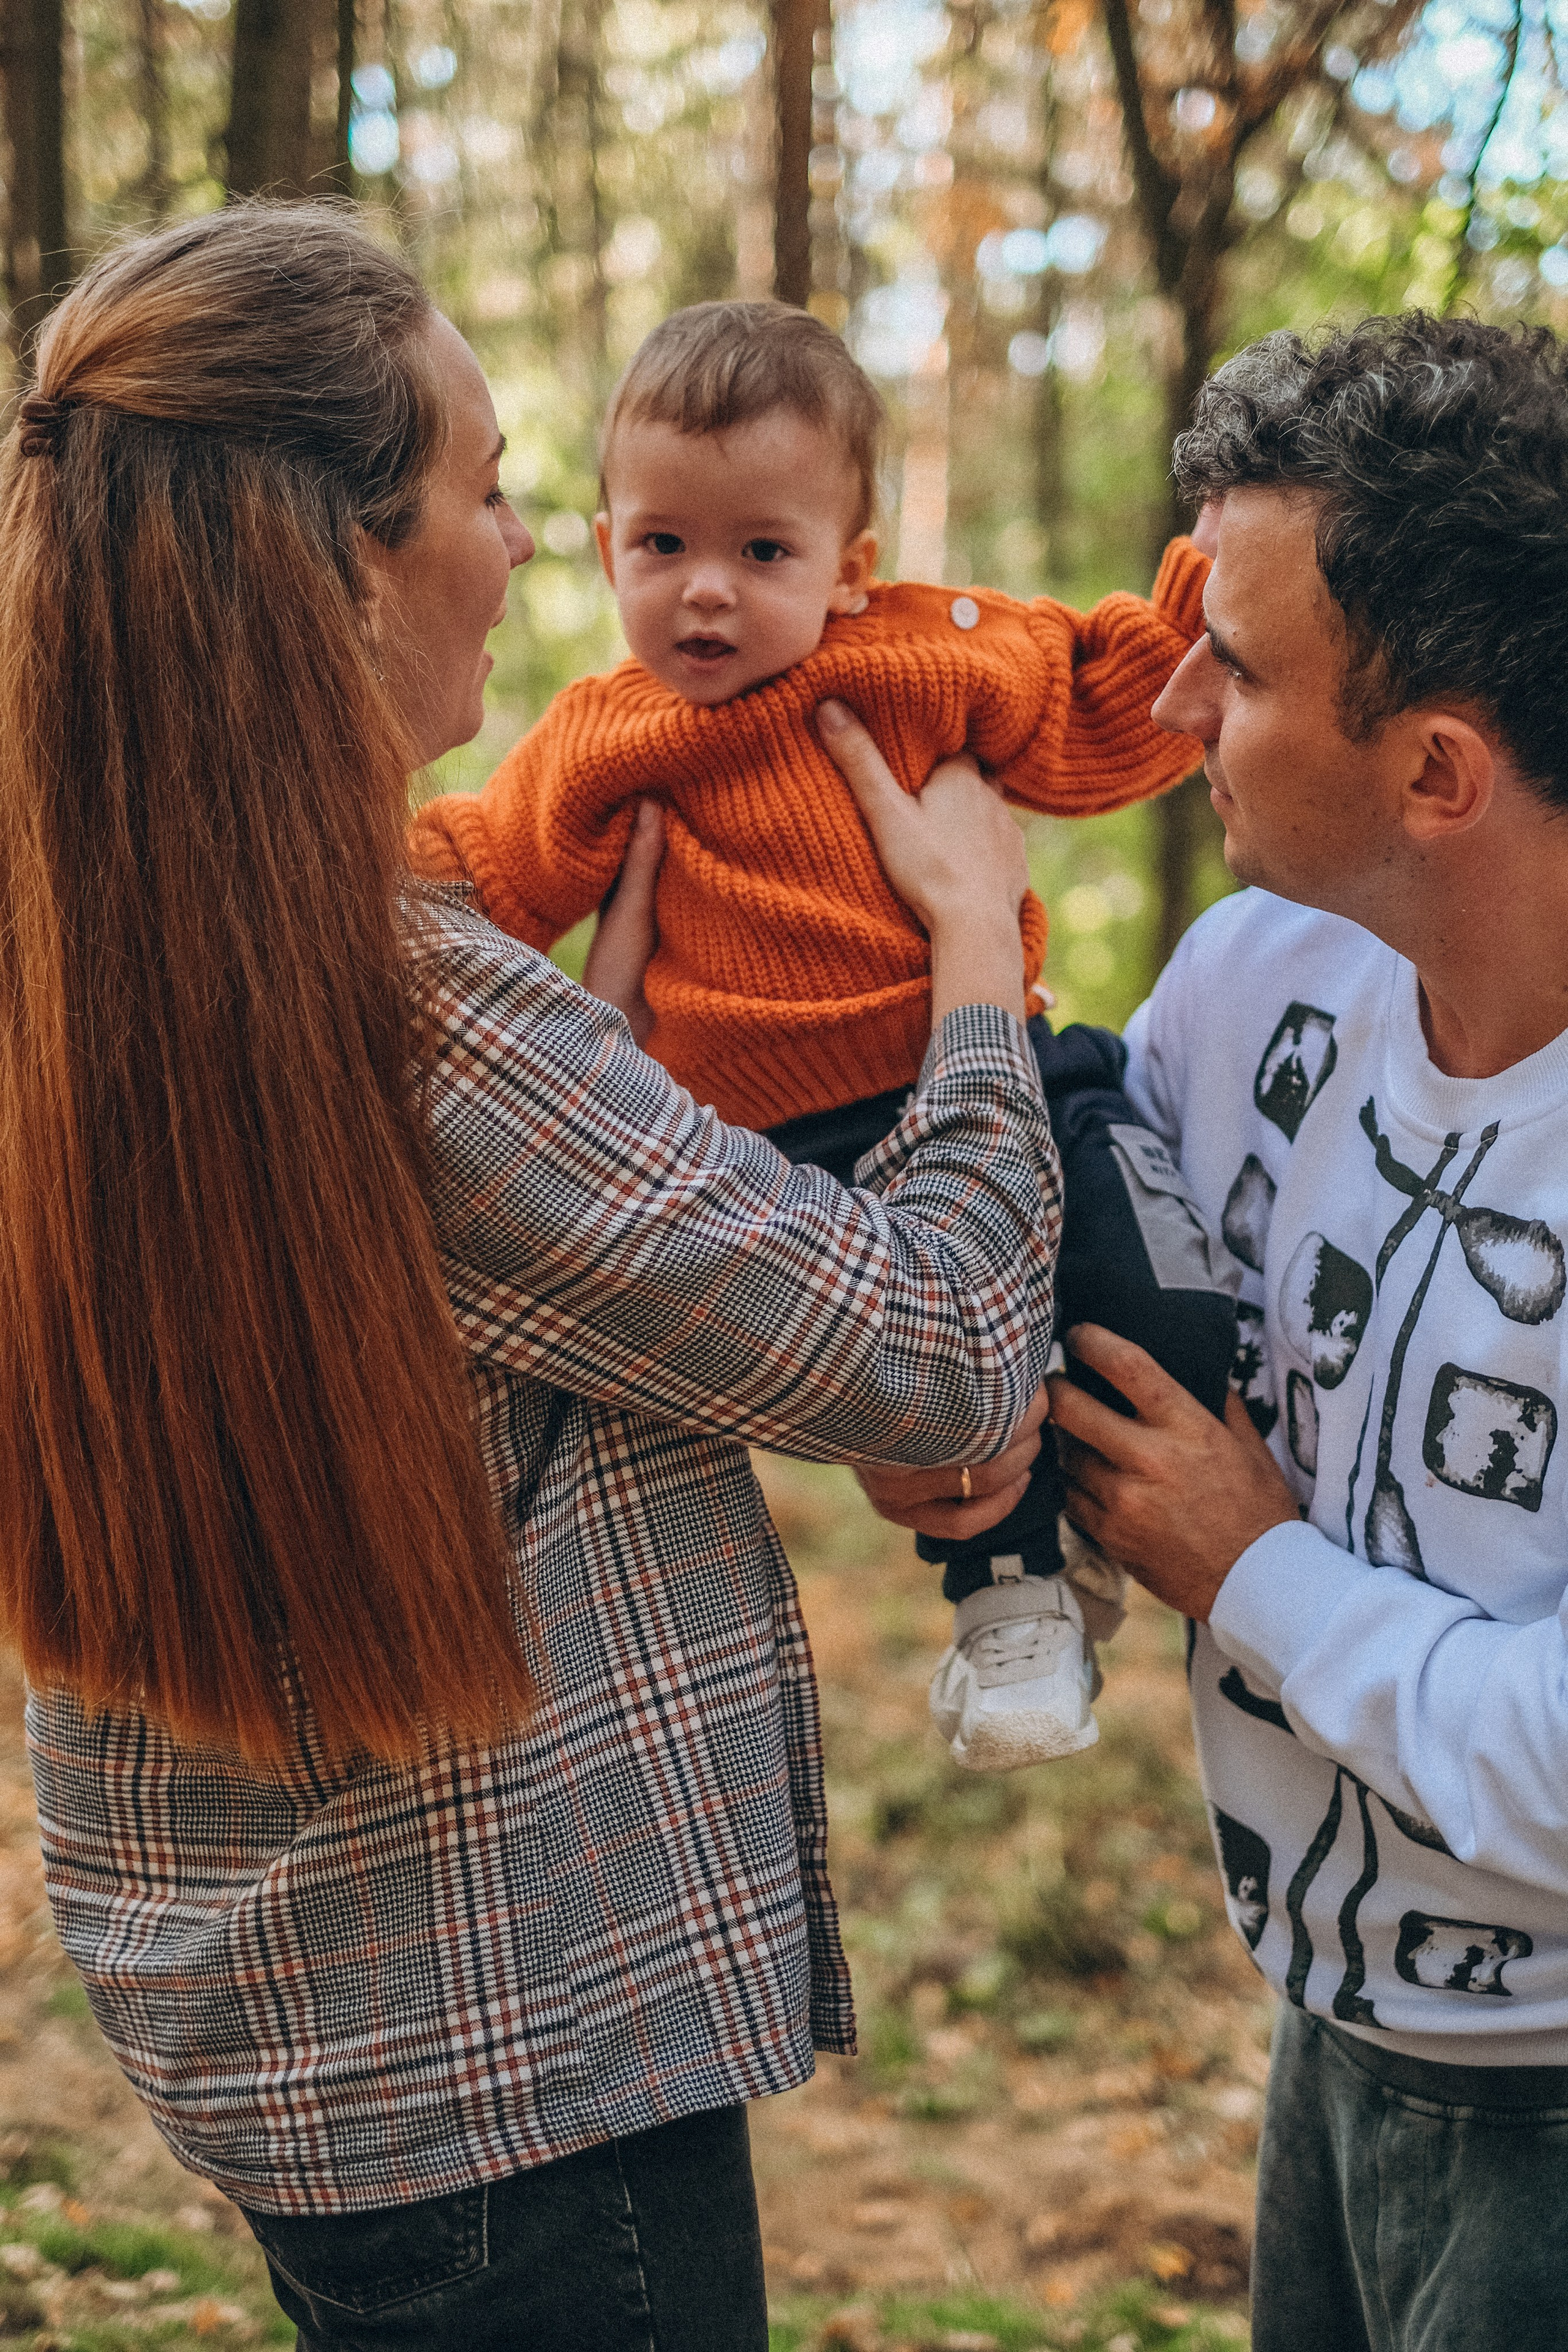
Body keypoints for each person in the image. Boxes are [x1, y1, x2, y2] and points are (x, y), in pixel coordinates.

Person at [0, 205, 1059, 2352]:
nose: (520, 548)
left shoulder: (68, 939)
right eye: (487, 490)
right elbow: (943, 1356)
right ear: (339, 567)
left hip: (293, 2013)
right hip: (515, 2060)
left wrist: (612, 1086)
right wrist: (973, 962)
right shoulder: (390, 1008)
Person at [408, 298, 1231, 1771]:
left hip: (1002, 1070)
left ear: (849, 571)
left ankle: (1121, 1531)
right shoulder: (600, 741)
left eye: (761, 552)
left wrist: (1205, 599)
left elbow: (1097, 696)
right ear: (605, 549)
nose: (705, 594)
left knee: (1152, 1302)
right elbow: (482, 867)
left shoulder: (917, 657)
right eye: (663, 546)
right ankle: (1012, 1606)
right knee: (942, 1418)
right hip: (798, 1153)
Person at [990, 314, 1568, 2351]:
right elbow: (1102, 1361)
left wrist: (1260, 1573)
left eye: (1233, 664)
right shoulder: (1249, 988)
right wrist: (994, 1468)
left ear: (1437, 769)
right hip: (1325, 2048)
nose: (1167, 700)